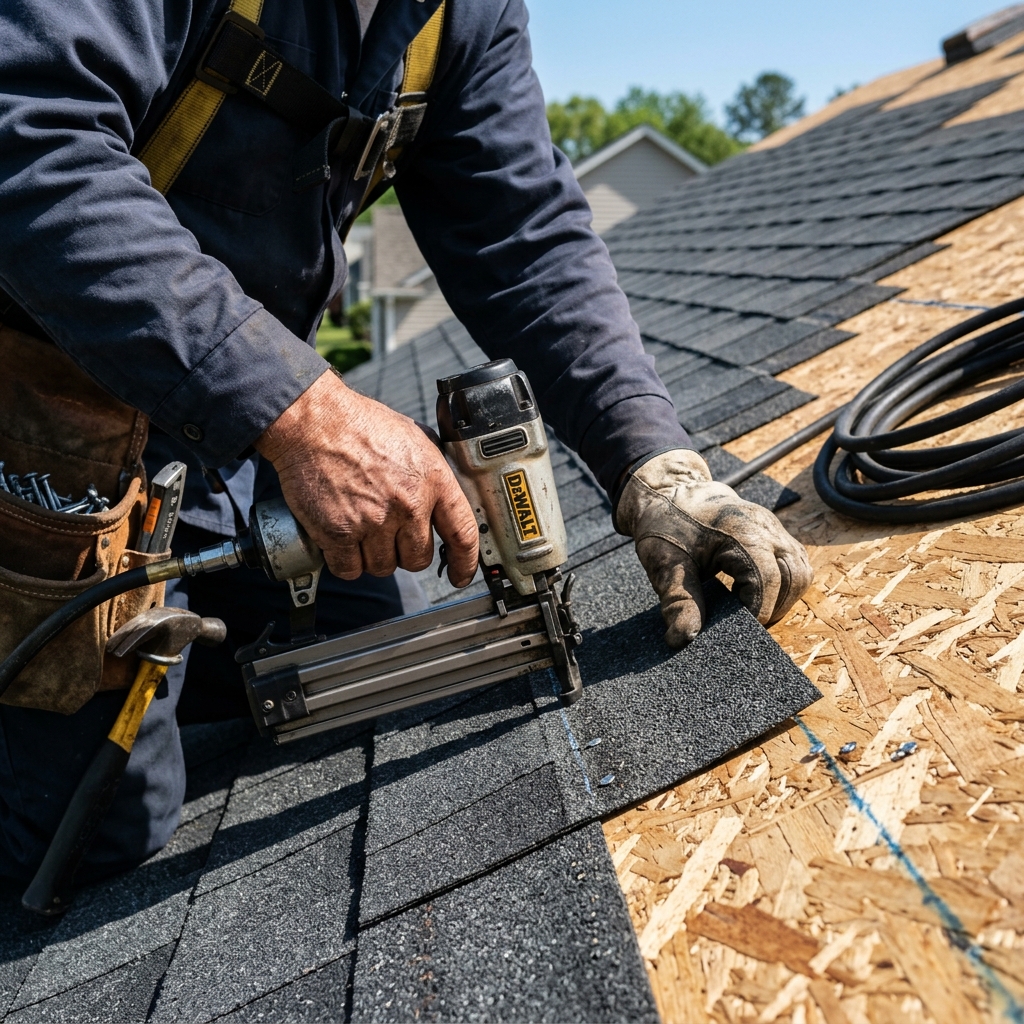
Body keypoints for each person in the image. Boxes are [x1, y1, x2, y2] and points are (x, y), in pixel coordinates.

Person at [0, 0, 812, 881]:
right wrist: (306, 416)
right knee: (91, 833)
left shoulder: (458, 16)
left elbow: (524, 244)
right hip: (44, 425)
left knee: (363, 637)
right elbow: (31, 146)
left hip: (209, 432)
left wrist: (653, 463)